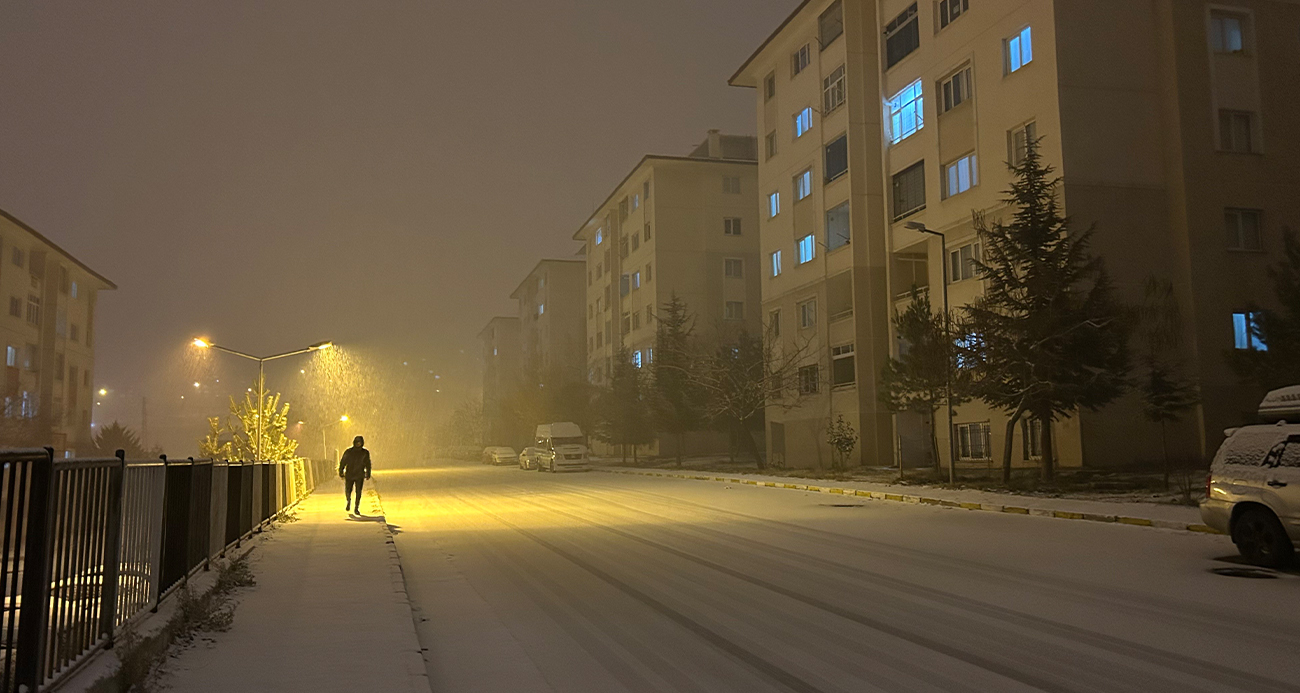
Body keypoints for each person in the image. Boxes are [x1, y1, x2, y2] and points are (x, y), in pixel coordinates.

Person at [338, 435, 372, 514]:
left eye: (359, 442)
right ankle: (348, 501)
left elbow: (368, 463)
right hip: (349, 474)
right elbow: (343, 462)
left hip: (359, 475)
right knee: (348, 490)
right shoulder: (349, 452)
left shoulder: (365, 453)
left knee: (358, 492)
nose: (358, 444)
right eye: (357, 442)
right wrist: (341, 471)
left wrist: (368, 473)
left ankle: (356, 507)